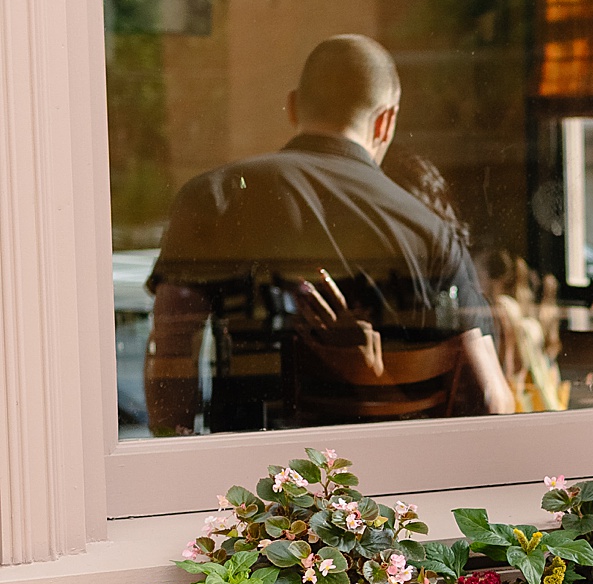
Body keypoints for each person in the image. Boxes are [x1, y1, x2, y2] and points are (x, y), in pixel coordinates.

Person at [145, 35, 502, 432]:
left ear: (294, 106)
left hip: (249, 486)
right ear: (386, 121)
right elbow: (490, 403)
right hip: (394, 488)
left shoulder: (213, 197)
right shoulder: (431, 233)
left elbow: (171, 350)